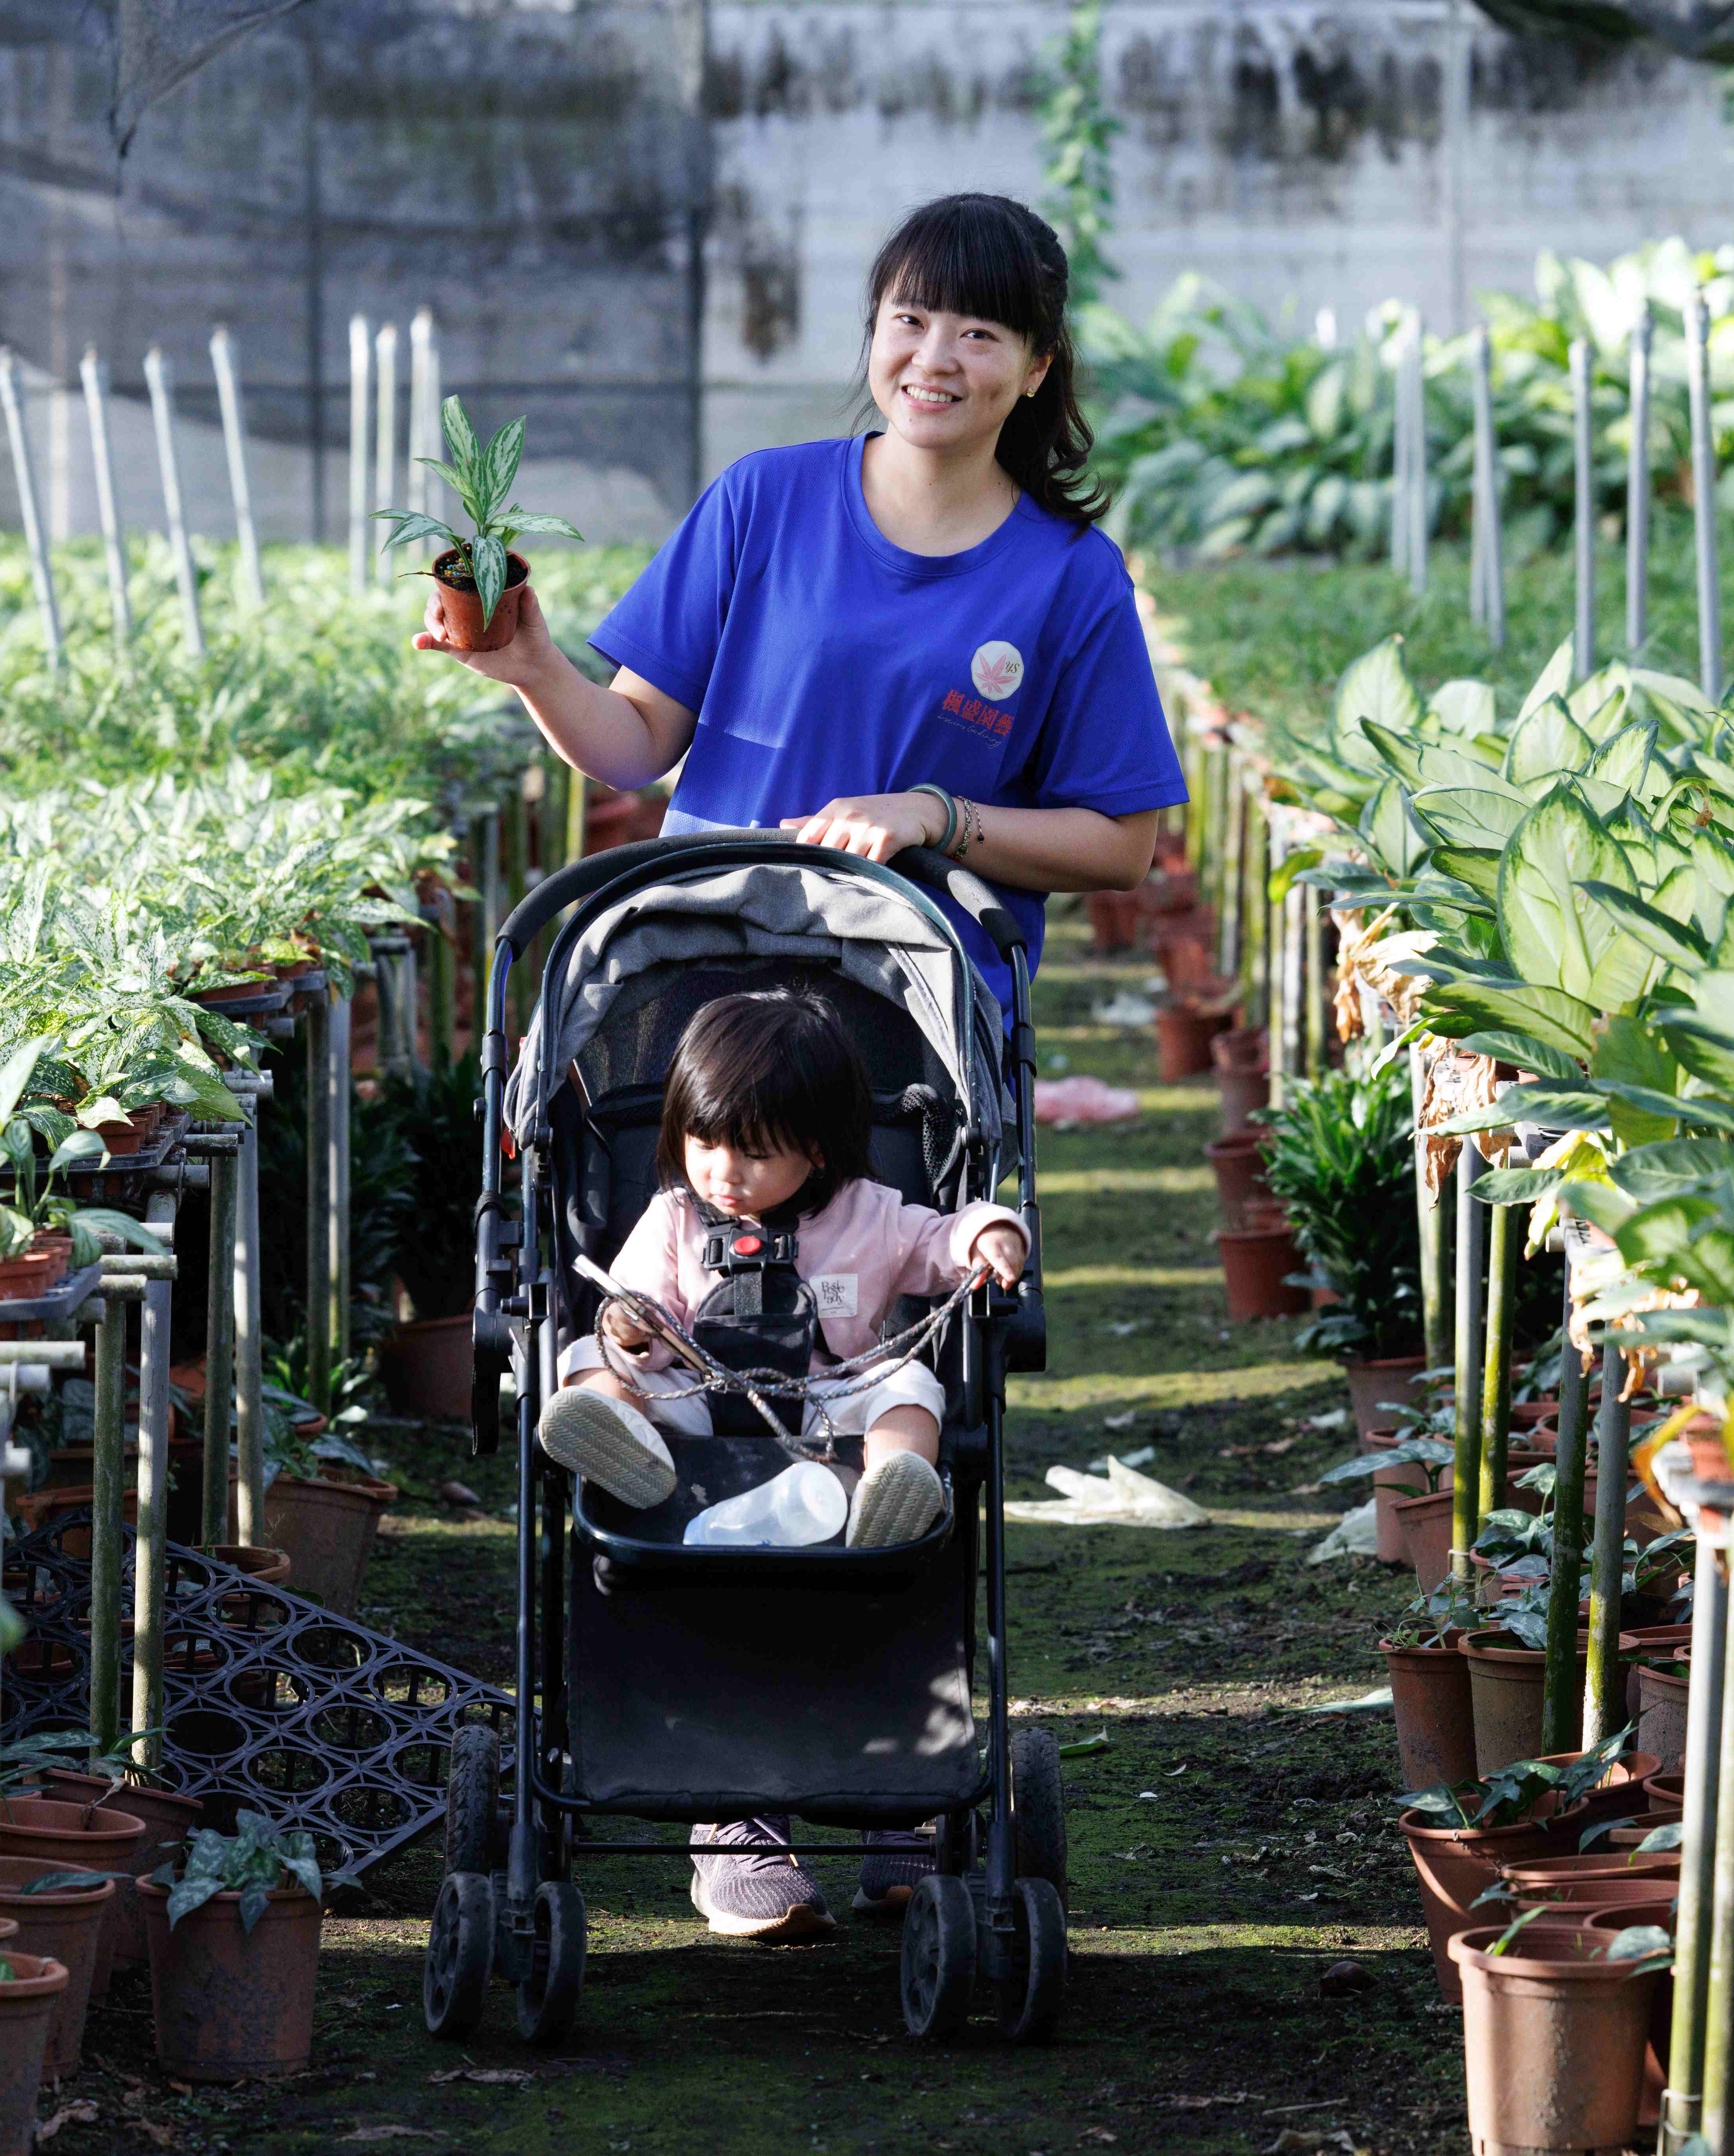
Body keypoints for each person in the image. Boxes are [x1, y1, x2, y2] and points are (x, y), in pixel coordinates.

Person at [412, 190, 1185, 1004]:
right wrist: (536, 669)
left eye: (979, 334)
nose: (935, 358)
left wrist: (937, 816)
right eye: (911, 319)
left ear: (1036, 369)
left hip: (915, 1009)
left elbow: (1120, 846)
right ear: (875, 331)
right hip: (705, 973)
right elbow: (635, 746)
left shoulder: (1072, 575)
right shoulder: (762, 499)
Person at [533, 992, 1027, 1939]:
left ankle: (895, 1484)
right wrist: (629, 1330)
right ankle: (618, 1441)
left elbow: (939, 1243)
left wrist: (987, 1234)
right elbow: (630, 1310)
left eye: (755, 1151)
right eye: (703, 1144)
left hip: (827, 1417)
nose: (724, 1172)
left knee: (908, 1381)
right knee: (591, 1358)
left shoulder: (867, 1214)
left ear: (821, 1147)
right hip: (693, 1423)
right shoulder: (674, 1219)